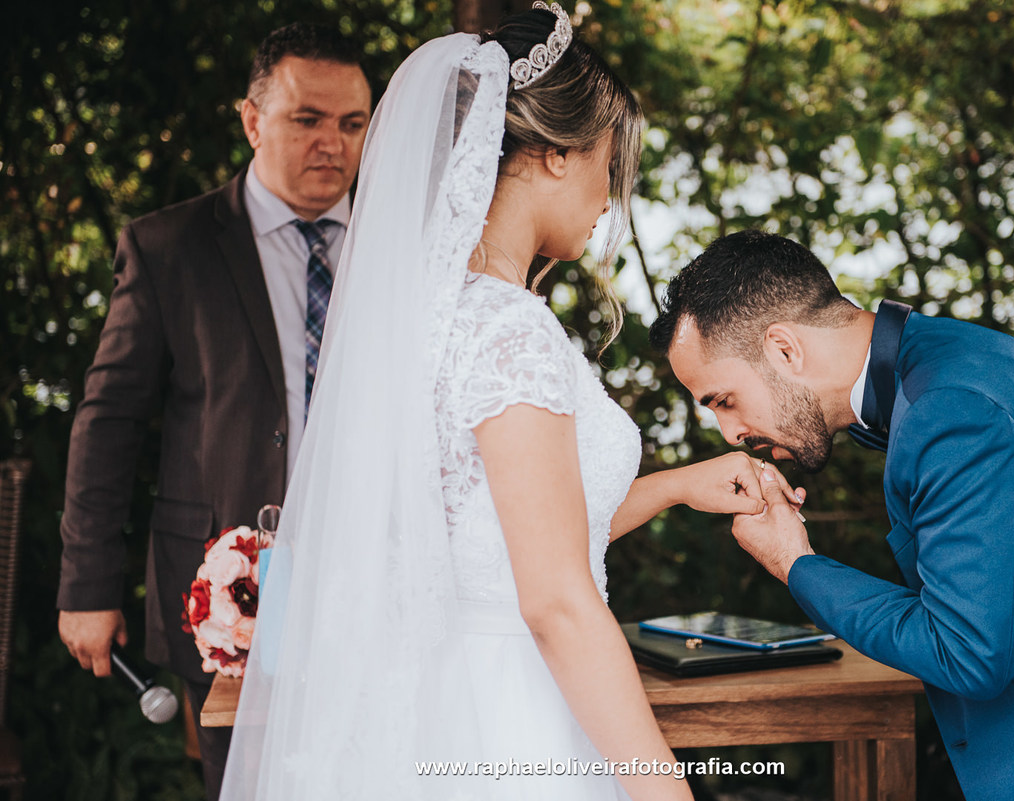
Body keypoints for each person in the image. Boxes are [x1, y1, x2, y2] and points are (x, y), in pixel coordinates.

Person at [220, 7, 778, 800]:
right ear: (556, 155)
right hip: (513, 711)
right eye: (607, 167)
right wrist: (664, 788)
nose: (608, 202)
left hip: (434, 707)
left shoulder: (421, 315)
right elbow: (554, 599)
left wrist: (676, 486)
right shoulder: (509, 330)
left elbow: (488, 532)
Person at [647, 230, 1014, 801]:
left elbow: (966, 655)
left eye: (723, 400)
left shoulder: (951, 406)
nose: (731, 432)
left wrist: (794, 562)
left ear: (785, 349)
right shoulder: (941, 367)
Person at [56, 23, 371, 800]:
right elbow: (110, 419)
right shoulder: (171, 245)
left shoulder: (400, 247)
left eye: (353, 123)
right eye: (308, 118)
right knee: (249, 784)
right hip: (228, 587)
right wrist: (87, 583)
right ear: (252, 119)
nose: (332, 143)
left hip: (371, 570)